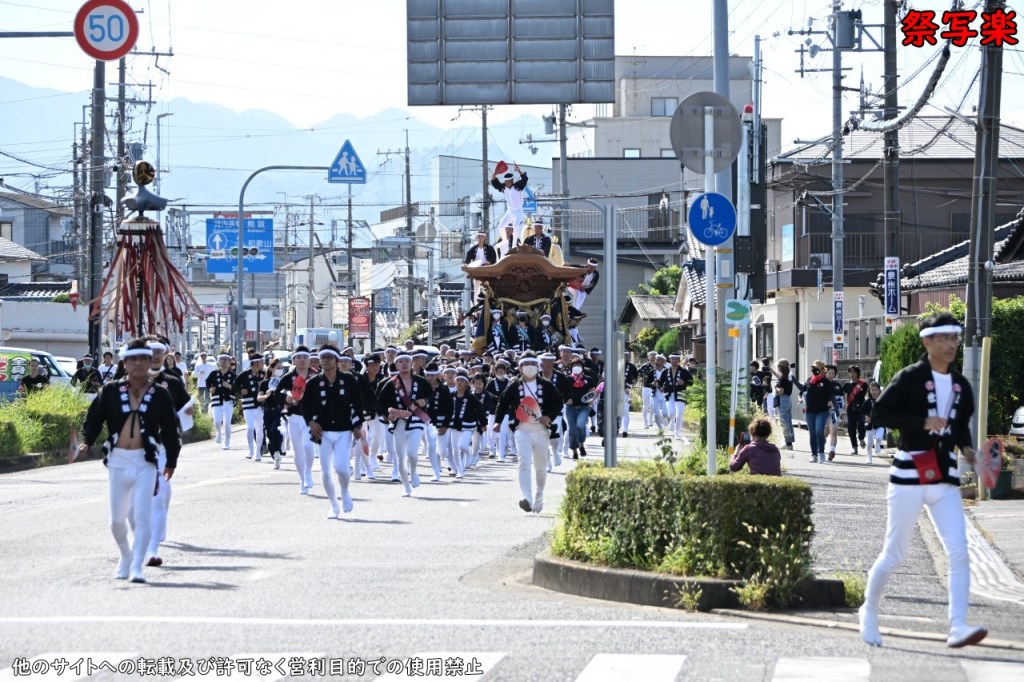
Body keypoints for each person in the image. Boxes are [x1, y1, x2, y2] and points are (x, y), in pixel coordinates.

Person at [860, 313, 986, 649]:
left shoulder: (962, 385)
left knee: (959, 552)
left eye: (954, 338)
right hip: (909, 474)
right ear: (927, 341)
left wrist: (968, 450)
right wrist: (921, 422)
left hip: (944, 477)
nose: (951, 345)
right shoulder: (909, 378)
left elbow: (959, 428)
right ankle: (869, 611)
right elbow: (880, 414)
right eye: (943, 338)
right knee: (894, 554)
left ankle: (957, 625)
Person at [79, 338, 180, 584]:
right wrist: (86, 441)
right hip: (118, 460)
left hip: (145, 462)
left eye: (143, 358)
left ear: (149, 361)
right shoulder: (111, 391)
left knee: (143, 514)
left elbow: (169, 429)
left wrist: (171, 461)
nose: (137, 363)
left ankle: (137, 566)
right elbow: (93, 419)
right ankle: (125, 554)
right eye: (132, 359)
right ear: (124, 362)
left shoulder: (160, 394)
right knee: (116, 520)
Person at [140, 337, 192, 569]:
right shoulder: (129, 382)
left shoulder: (173, 382)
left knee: (160, 495)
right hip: (135, 447)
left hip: (164, 446)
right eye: (151, 351)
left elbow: (185, 410)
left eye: (160, 351)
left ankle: (151, 549)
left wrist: (186, 414)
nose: (156, 355)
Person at [494, 352, 564, 513]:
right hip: (522, 429)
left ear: (538, 366)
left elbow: (558, 401)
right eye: (526, 364)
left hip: (541, 430)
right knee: (524, 462)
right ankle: (527, 497)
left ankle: (539, 495)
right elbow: (503, 402)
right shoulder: (514, 385)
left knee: (540, 467)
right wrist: (498, 421)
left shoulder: (546, 385)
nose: (530, 367)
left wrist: (549, 416)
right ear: (520, 367)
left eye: (533, 364)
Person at [300, 345, 364, 518]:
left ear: (337, 361)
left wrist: (358, 426)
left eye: (329, 357)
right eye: (323, 357)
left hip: (344, 431)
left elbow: (357, 404)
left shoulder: (349, 380)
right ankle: (333, 505)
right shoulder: (313, 383)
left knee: (341, 468)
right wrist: (311, 422)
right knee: (326, 471)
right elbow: (305, 406)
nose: (325, 360)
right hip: (323, 432)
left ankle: (344, 491)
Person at [377, 352, 433, 497]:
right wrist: (388, 414)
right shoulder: (390, 383)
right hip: (398, 423)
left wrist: (425, 401)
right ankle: (406, 486)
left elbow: (432, 397)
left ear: (412, 363)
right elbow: (380, 402)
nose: (404, 364)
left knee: (412, 453)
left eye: (407, 361)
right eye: (400, 361)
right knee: (400, 457)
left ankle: (413, 471)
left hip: (416, 421)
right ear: (396, 365)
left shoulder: (421, 381)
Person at [803, 360, 838, 464]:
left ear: (822, 370)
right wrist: (794, 380)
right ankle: (814, 455)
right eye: (813, 368)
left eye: (816, 368)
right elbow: (803, 389)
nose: (813, 370)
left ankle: (821, 453)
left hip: (822, 411)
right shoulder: (810, 381)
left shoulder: (826, 382)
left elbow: (832, 396)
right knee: (812, 433)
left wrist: (836, 409)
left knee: (819, 431)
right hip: (810, 411)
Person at [561, 356, 595, 460]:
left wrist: (590, 401)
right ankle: (574, 450)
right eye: (574, 365)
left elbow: (592, 392)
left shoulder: (588, 379)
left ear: (582, 367)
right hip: (570, 408)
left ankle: (581, 444)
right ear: (571, 367)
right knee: (572, 429)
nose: (576, 367)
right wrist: (566, 399)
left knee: (580, 426)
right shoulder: (567, 379)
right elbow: (562, 392)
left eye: (579, 365)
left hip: (584, 407)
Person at [234, 353, 266, 461]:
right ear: (255, 363)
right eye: (261, 361)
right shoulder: (244, 375)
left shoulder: (263, 374)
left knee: (260, 429)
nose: (263, 363)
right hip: (248, 404)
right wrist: (241, 391)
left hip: (260, 405)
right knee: (250, 427)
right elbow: (235, 386)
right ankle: (251, 450)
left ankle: (258, 451)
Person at [258, 358, 287, 469]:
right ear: (271, 368)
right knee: (270, 434)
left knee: (276, 431)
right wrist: (266, 395)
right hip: (267, 411)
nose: (280, 370)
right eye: (278, 368)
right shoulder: (265, 383)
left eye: (281, 368)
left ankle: (279, 448)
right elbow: (259, 398)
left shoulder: (283, 381)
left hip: (279, 411)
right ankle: (276, 454)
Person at [491, 163, 529, 239]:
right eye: (505, 181)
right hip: (510, 211)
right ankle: (504, 240)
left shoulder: (517, 186)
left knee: (515, 226)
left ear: (512, 181)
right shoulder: (504, 188)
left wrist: (518, 171)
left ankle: (515, 243)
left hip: (518, 211)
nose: (507, 183)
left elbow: (525, 179)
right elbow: (495, 184)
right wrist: (494, 174)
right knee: (501, 226)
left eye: (508, 181)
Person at [659, 353, 692, 440]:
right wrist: (661, 387)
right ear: (670, 360)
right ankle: (671, 422)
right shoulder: (665, 371)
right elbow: (659, 382)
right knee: (671, 413)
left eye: (676, 359)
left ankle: (677, 433)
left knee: (679, 414)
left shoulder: (684, 371)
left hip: (680, 394)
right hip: (669, 394)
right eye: (672, 358)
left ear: (679, 360)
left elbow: (691, 382)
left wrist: (684, 382)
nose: (674, 360)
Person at [206, 354, 236, 450]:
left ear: (229, 362)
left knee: (227, 423)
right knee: (217, 421)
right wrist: (210, 389)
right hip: (216, 400)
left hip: (228, 400)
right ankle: (219, 432)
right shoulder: (214, 374)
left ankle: (227, 442)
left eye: (226, 359)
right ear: (219, 362)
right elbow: (207, 383)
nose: (223, 361)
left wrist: (230, 386)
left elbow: (237, 388)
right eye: (221, 359)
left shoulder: (233, 375)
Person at [843, 365, 869, 456]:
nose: (852, 374)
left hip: (861, 409)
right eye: (850, 372)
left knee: (861, 427)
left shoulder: (863, 384)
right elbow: (841, 395)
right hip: (850, 409)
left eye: (853, 372)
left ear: (858, 373)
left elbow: (867, 395)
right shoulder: (847, 385)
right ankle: (854, 447)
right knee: (851, 429)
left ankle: (861, 438)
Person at [622, 350, 639, 437]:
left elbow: (635, 377)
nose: (625, 357)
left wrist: (634, 380)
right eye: (624, 355)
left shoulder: (632, 366)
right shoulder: (614, 365)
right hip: (615, 389)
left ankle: (625, 429)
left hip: (627, 390)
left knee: (625, 411)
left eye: (627, 355)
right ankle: (618, 427)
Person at [638, 351, 657, 429]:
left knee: (652, 405)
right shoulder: (644, 366)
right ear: (648, 357)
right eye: (651, 355)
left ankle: (650, 420)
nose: (653, 356)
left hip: (655, 388)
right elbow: (637, 373)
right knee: (645, 405)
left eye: (654, 355)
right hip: (646, 387)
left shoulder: (658, 366)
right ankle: (645, 421)